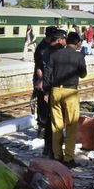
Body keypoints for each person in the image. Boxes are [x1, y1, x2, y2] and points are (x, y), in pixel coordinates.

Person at [44, 31, 87, 167]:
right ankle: (68, 158)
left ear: (66, 41)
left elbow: (47, 74)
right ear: (77, 43)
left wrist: (46, 92)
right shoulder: (79, 55)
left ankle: (57, 157)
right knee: (71, 126)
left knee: (56, 125)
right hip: (70, 93)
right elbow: (83, 74)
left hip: (55, 91)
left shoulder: (54, 54)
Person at [33, 27, 60, 157]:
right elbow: (39, 67)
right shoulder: (42, 49)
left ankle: (50, 145)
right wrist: (43, 82)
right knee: (46, 114)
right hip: (44, 85)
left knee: (50, 116)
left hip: (50, 84)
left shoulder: (51, 47)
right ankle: (48, 145)